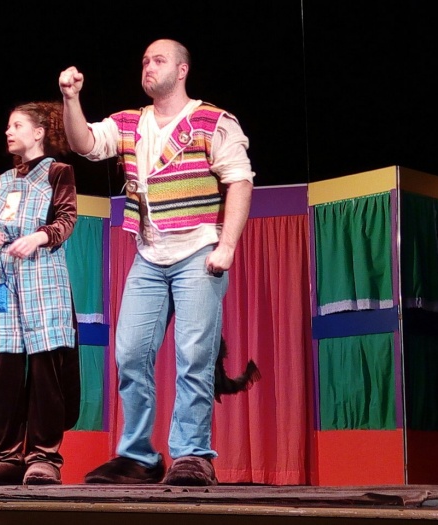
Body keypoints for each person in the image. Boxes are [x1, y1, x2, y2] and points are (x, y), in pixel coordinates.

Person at [58, 38, 255, 486]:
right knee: (130, 354)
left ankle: (192, 454)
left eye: (159, 60)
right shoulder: (130, 122)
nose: (148, 66)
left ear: (182, 70)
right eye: (145, 60)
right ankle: (140, 456)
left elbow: (240, 182)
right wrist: (71, 98)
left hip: (198, 251)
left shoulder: (212, 121)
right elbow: (84, 143)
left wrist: (227, 245)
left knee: (194, 355)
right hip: (149, 255)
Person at [0, 101, 81, 486]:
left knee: (46, 370)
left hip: (42, 278)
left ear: (38, 133)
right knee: (7, 370)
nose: (8, 131)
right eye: (8, 125)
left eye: (16, 125)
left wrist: (38, 237)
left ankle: (43, 456)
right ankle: (7, 456)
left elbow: (67, 219)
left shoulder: (57, 172)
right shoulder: (1, 180)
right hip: (4, 281)